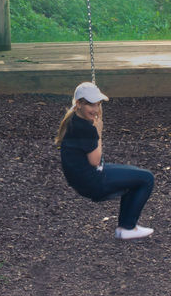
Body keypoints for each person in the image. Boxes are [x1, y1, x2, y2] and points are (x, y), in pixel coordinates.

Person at [54, 81, 156, 240]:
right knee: (147, 178)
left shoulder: (73, 119)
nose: (95, 109)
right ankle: (127, 227)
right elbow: (95, 161)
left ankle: (126, 228)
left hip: (81, 179)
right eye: (91, 105)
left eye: (98, 104)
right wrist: (98, 132)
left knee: (135, 175)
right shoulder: (86, 129)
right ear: (79, 104)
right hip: (92, 181)